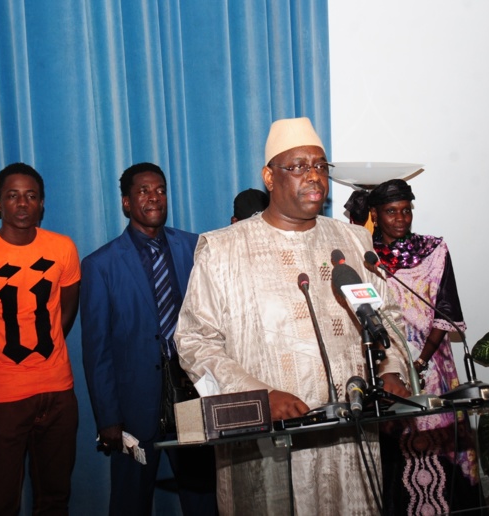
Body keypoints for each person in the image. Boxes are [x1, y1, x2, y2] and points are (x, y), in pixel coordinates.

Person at [175, 117, 411, 515]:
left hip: (350, 439)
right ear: (269, 176)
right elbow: (195, 342)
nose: (314, 176)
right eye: (298, 166)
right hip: (265, 441)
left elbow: (384, 313)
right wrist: (260, 397)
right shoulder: (223, 250)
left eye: (320, 165)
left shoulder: (352, 240)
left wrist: (391, 370)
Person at [80, 162, 217, 515]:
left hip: (191, 397)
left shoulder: (195, 247)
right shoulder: (101, 265)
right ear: (126, 202)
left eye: (159, 190)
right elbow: (97, 349)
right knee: (131, 502)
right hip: (134, 407)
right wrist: (107, 417)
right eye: (143, 191)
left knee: (202, 498)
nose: (153, 197)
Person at [0, 162, 81, 514]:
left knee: (55, 495)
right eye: (13, 196)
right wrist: (1, 361)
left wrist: (45, 355)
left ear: (41, 203)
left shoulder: (63, 249)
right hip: (5, 396)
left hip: (58, 392)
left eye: (31, 196)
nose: (22, 204)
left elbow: (66, 313)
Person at [367, 179, 483, 514]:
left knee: (444, 450)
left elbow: (445, 312)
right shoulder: (366, 256)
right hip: (386, 366)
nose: (401, 219)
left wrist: (420, 362)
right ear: (375, 214)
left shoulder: (434, 249)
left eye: (406, 211)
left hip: (433, 365)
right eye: (391, 212)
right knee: (396, 455)